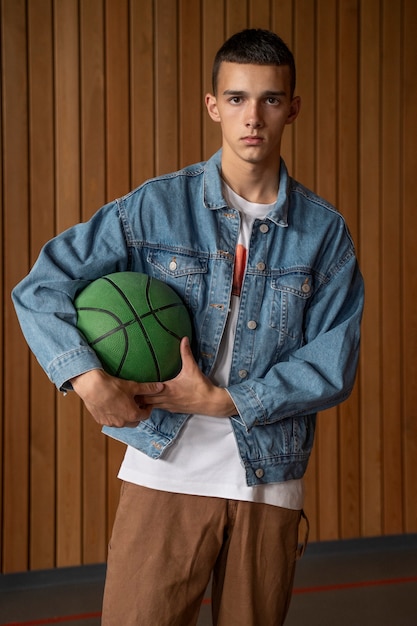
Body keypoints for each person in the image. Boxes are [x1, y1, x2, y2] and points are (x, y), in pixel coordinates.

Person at [12, 28, 364, 626]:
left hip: (268, 481)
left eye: (270, 99)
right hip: (165, 470)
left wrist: (225, 400)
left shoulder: (325, 235)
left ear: (293, 108)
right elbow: (40, 286)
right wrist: (88, 381)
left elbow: (332, 364)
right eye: (236, 98)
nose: (252, 117)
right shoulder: (155, 208)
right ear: (213, 106)